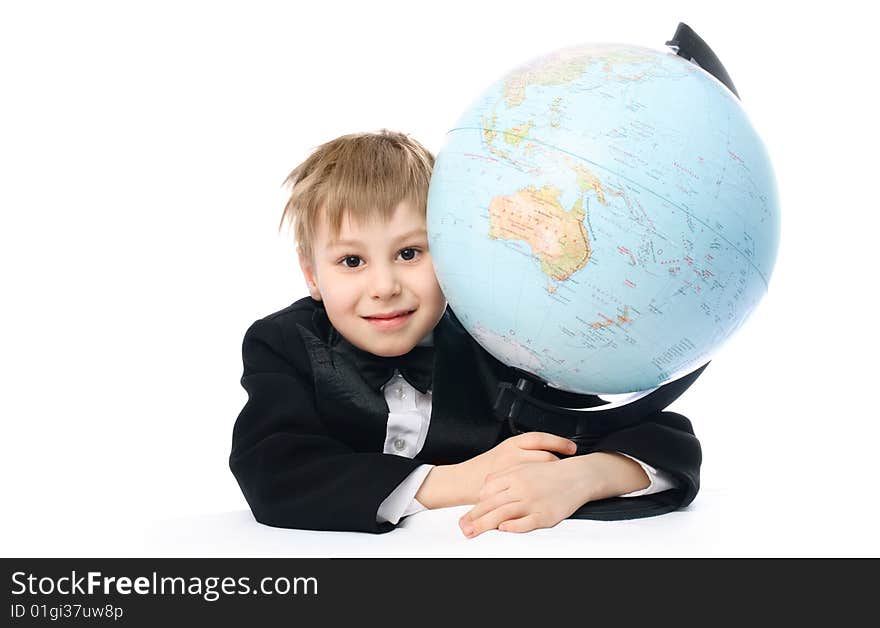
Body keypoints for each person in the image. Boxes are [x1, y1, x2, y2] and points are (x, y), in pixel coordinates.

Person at [229, 130, 702, 536]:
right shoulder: (283, 345)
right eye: (351, 261)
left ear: (454, 251)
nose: (384, 287)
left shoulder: (496, 343)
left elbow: (665, 438)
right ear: (312, 274)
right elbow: (272, 472)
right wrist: (458, 481)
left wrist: (584, 477)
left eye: (411, 253)